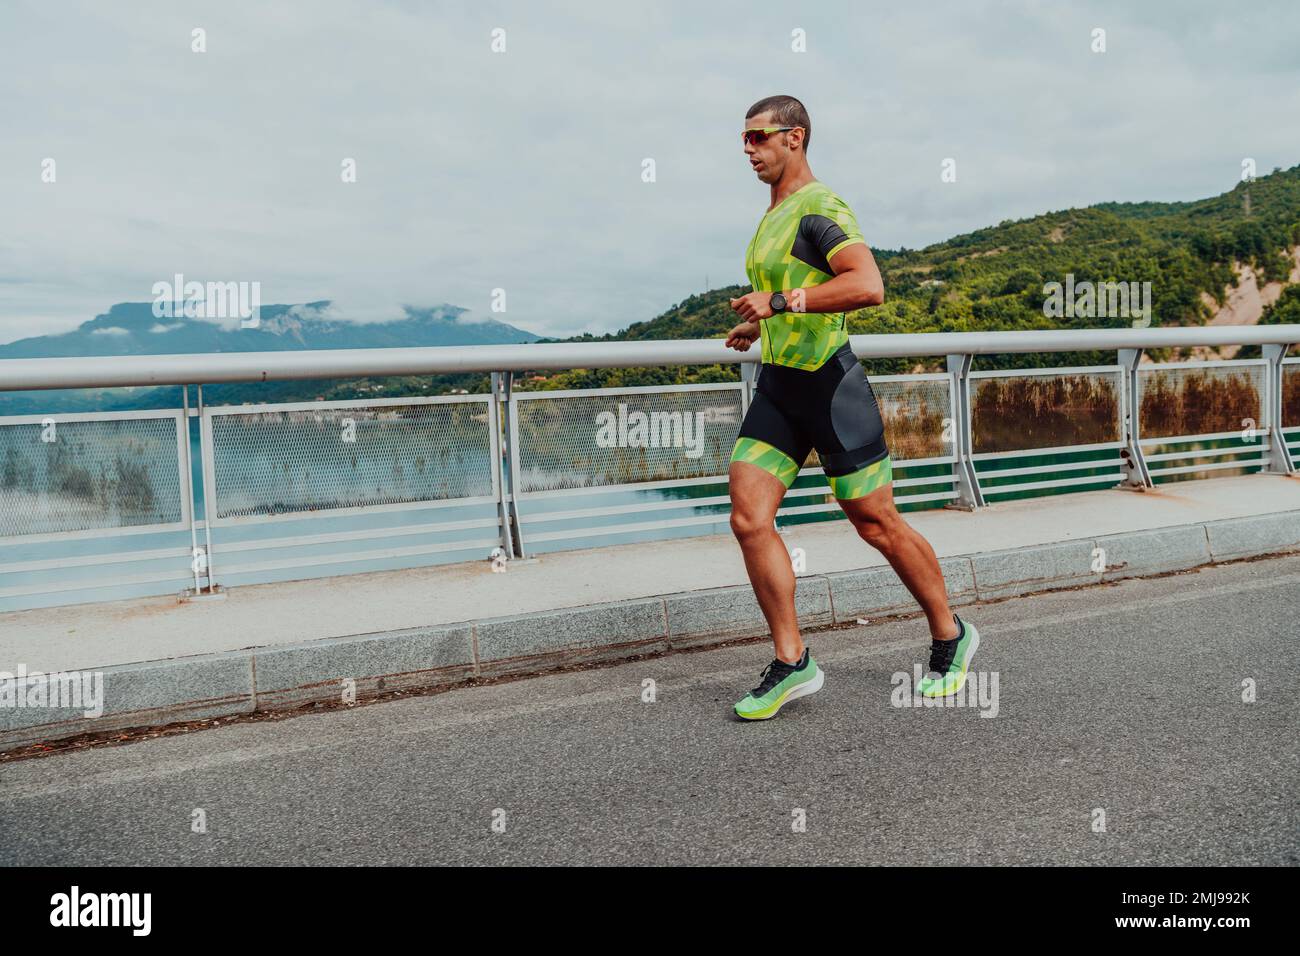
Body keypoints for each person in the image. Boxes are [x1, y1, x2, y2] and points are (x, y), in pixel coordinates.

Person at [725, 95, 980, 720]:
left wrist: (779, 304)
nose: (750, 150)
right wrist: (762, 328)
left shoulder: (820, 208)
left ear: (796, 137)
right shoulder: (771, 217)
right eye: (744, 140)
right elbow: (801, 293)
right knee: (748, 517)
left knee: (874, 522)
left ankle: (950, 634)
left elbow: (867, 285)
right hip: (780, 388)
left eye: (760, 137)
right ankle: (792, 661)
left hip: (831, 389)